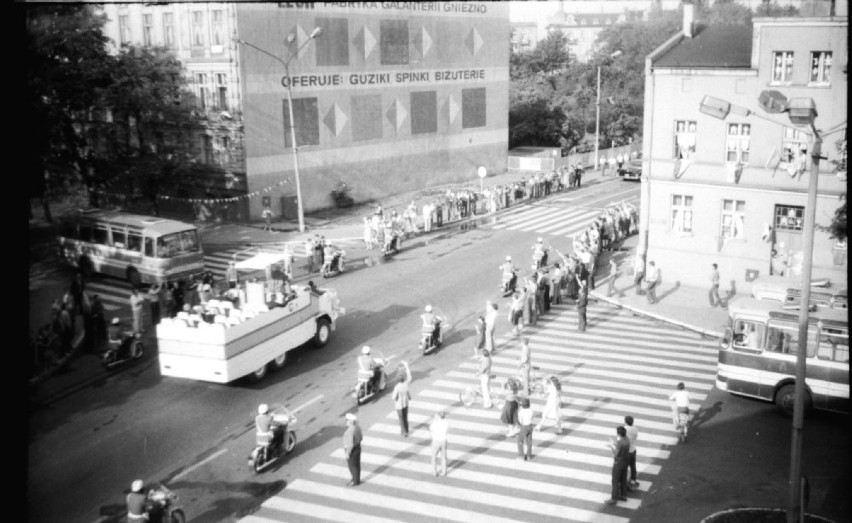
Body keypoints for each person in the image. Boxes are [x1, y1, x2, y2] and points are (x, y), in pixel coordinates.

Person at [605, 425, 630, 505]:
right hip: (625, 461)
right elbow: (621, 446)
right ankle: (623, 495)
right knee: (623, 479)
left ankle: (614, 498)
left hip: (618, 463)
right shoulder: (627, 439)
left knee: (615, 481)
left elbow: (616, 454)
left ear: (619, 434)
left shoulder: (620, 442)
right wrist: (615, 443)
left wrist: (611, 447)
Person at [392, 361, 412, 437]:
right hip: (405, 404)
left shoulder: (396, 387)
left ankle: (403, 433)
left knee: (401, 419)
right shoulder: (405, 385)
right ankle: (406, 430)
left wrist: (396, 398)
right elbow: (408, 394)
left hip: (399, 405)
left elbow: (393, 397)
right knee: (405, 417)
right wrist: (410, 398)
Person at [343, 413, 363, 486]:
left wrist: (347, 453)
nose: (346, 422)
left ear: (350, 421)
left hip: (352, 450)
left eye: (347, 420)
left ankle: (355, 481)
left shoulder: (349, 431)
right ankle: (356, 479)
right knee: (357, 464)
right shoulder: (357, 427)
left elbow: (350, 445)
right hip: (358, 447)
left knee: (352, 466)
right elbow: (361, 437)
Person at [430, 411, 449, 477]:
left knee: (434, 457)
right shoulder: (446, 423)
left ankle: (434, 471)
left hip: (436, 441)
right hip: (443, 440)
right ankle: (444, 471)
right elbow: (446, 431)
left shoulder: (436, 422)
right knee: (443, 457)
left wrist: (434, 420)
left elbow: (431, 428)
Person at [624, 416, 640, 489]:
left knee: (625, 467)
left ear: (625, 421)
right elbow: (636, 437)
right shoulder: (635, 428)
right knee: (633, 466)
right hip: (633, 450)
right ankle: (633, 480)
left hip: (627, 451)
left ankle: (626, 482)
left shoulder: (624, 429)